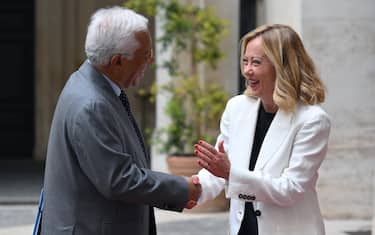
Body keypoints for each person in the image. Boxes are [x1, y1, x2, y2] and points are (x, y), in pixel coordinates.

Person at [40, 6, 201, 235]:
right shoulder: (92, 104)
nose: (151, 61)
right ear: (117, 61)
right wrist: (182, 188)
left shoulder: (88, 83)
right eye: (145, 55)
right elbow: (119, 179)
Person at [193, 24, 331, 235]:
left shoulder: (312, 120)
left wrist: (229, 172)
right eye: (245, 61)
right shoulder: (237, 107)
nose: (247, 70)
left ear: (282, 66)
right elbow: (219, 170)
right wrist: (186, 189)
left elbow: (290, 189)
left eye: (256, 62)